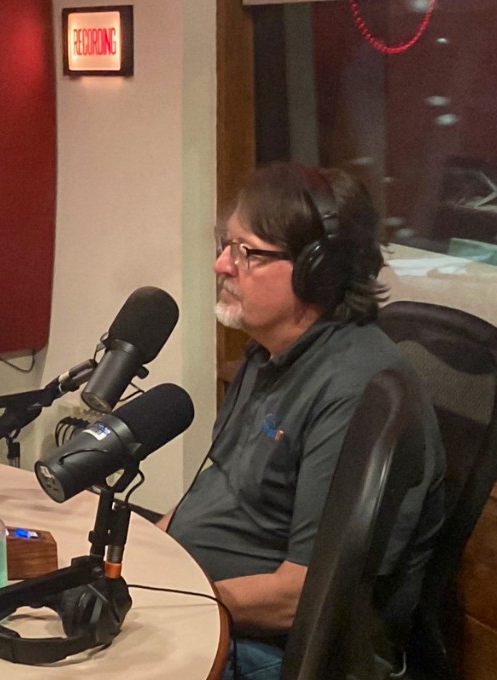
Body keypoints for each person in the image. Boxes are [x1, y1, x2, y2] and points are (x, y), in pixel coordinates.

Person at [160, 163, 445, 679]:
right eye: (226, 245)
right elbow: (219, 493)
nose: (221, 265)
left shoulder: (356, 391)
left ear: (319, 271)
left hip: (288, 652)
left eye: (246, 252)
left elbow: (302, 595)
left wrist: (168, 599)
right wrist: (139, 561)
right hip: (212, 606)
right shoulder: (267, 354)